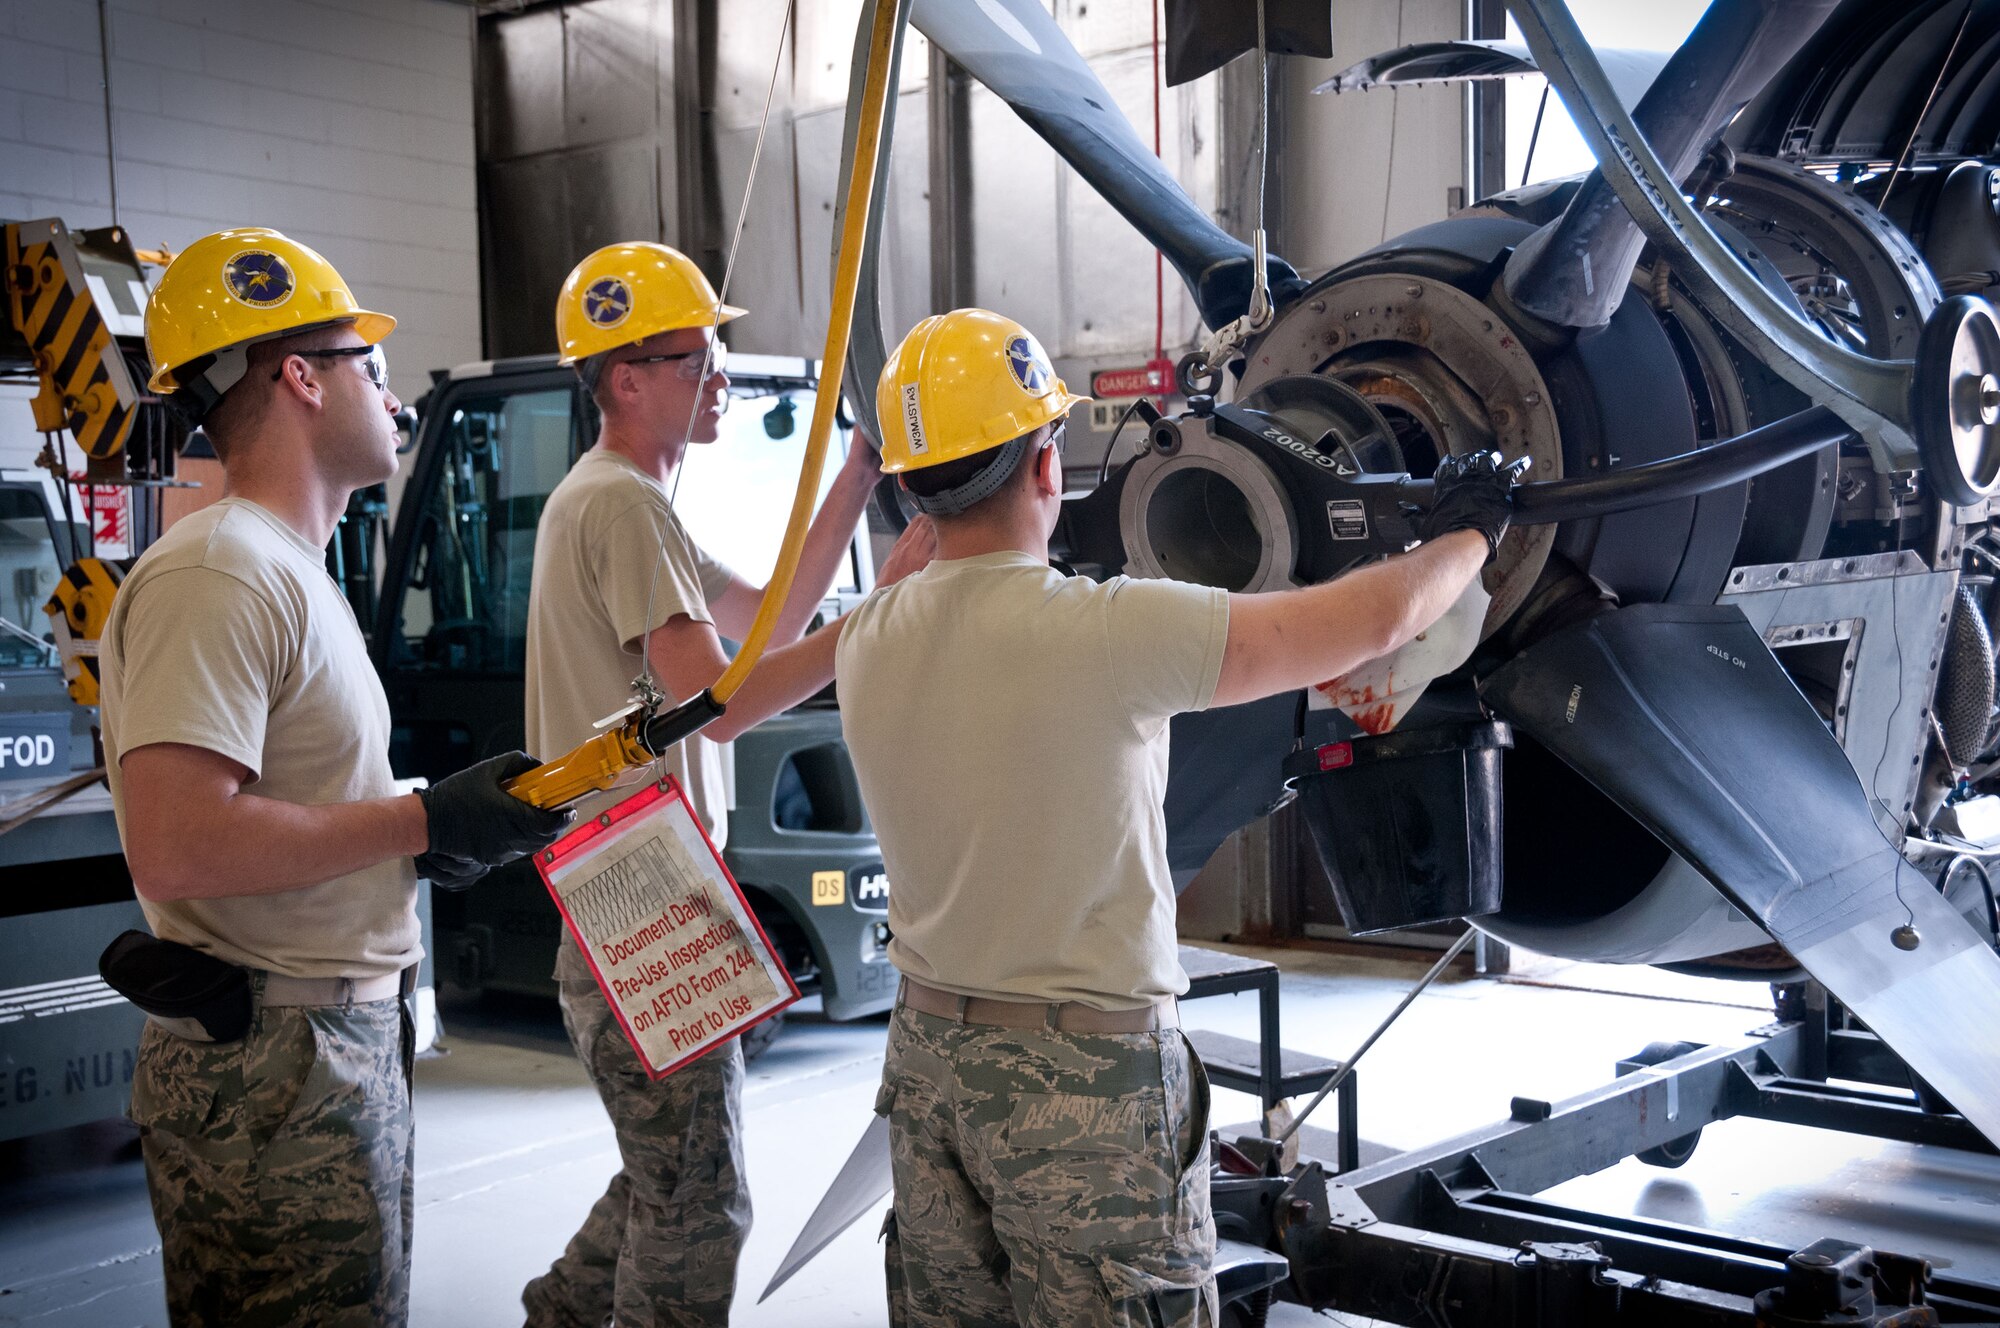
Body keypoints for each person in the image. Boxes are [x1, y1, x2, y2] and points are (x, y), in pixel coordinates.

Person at [835, 308, 1518, 1327]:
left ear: (905, 489)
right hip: (1084, 1084)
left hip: (928, 1064)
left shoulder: (867, 637)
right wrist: (1471, 528)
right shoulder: (1107, 632)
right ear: (1044, 464)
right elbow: (1371, 619)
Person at [103, 227, 571, 1327]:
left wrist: (420, 834)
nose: (392, 391)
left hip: (321, 1044)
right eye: (368, 361)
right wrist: (414, 820)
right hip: (276, 1062)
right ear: (299, 377)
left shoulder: (286, 571)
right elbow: (177, 838)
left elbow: (292, 805)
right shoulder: (222, 572)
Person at [519, 242, 934, 1328]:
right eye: (694, 358)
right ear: (624, 377)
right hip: (635, 883)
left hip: (641, 874)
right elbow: (723, 699)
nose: (718, 378)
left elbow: (767, 623)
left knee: (666, 1175)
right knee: (701, 1201)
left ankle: (555, 1314)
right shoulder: (620, 507)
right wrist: (883, 621)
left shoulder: (624, 504)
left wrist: (854, 482)